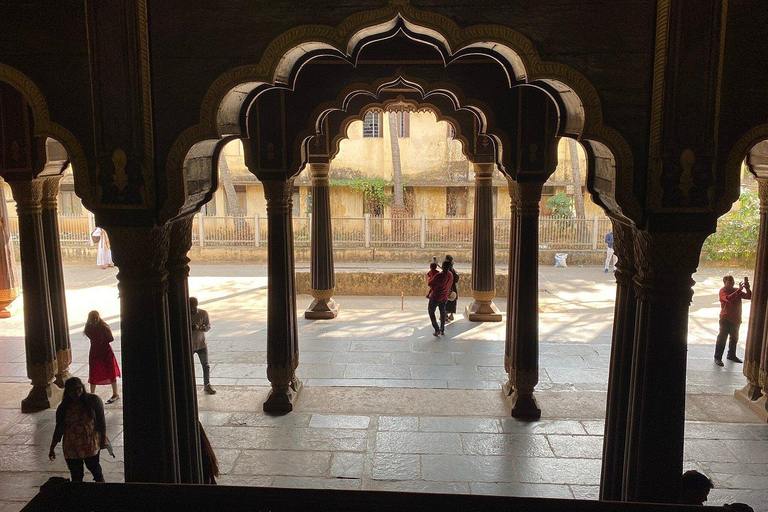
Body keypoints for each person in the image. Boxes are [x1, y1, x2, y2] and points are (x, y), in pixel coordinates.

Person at [49, 377, 108, 483]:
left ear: (82, 388)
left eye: (78, 389)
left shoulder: (93, 401)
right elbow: (59, 428)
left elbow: (101, 423)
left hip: (90, 444)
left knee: (95, 468)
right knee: (76, 475)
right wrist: (52, 447)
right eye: (72, 390)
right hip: (71, 446)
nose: (76, 393)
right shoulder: (63, 408)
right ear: (67, 392)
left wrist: (102, 440)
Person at [84, 311, 121, 404]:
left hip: (104, 351)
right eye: (93, 319)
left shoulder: (100, 326)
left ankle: (115, 393)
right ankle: (92, 394)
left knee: (110, 371)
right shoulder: (93, 327)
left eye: (96, 318)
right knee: (93, 372)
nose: (95, 320)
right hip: (97, 351)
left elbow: (111, 338)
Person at [715, 275, 752, 366]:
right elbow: (728, 298)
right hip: (725, 318)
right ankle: (717, 357)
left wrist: (747, 288)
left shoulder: (736, 290)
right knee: (722, 338)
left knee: (734, 338)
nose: (732, 283)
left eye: (732, 281)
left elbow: (749, 296)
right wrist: (739, 290)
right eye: (730, 282)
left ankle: (731, 355)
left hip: (736, 318)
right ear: (724, 282)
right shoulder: (722, 291)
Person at [190, 297, 215, 394]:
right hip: (189, 344)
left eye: (193, 307)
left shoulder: (203, 313)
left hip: (201, 344)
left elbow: (208, 326)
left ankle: (207, 384)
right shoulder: (184, 314)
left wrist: (199, 327)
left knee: (205, 365)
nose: (192, 309)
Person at [427, 260, 454, 337]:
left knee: (431, 312)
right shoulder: (450, 275)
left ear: (442, 266)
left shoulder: (438, 276)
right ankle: (442, 329)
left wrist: (431, 276)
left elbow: (430, 283)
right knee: (442, 313)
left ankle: (436, 329)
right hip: (444, 297)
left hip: (435, 297)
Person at [444, 254, 459, 321]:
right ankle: (451, 315)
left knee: (445, 301)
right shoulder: (453, 271)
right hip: (453, 287)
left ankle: (445, 314)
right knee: (453, 301)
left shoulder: (445, 272)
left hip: (446, 287)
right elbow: (456, 280)